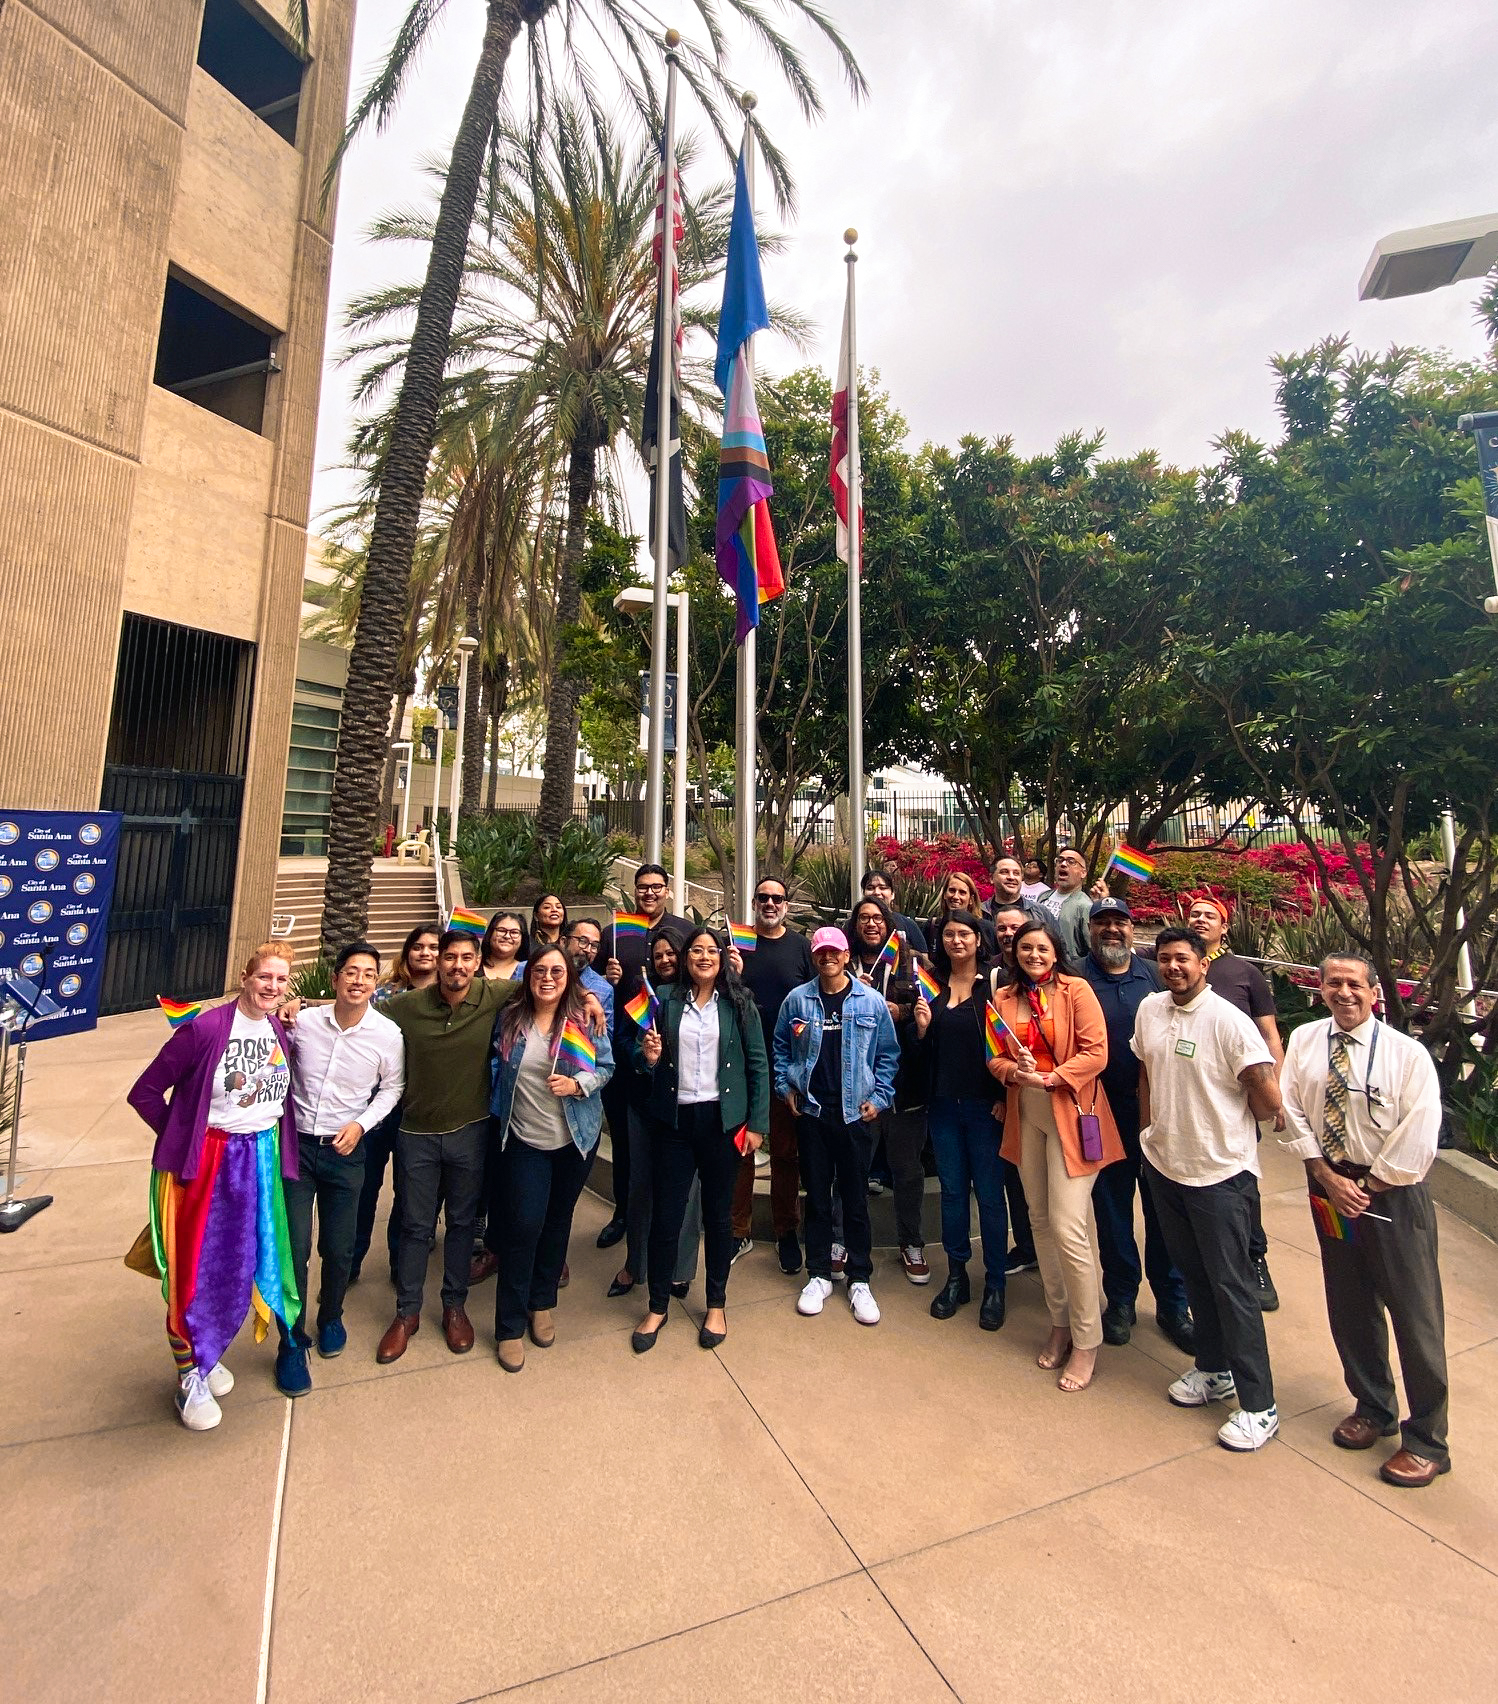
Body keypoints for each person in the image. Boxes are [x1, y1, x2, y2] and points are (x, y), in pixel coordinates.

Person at [1280, 952, 1450, 1487]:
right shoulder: (1306, 1041)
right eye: (1333, 983)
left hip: (1390, 1196)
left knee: (1414, 1315)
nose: (1344, 993)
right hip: (1330, 1190)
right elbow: (1292, 1107)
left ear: (1375, 992)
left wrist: (1370, 1186)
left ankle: (1427, 1439)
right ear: (1321, 990)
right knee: (1350, 1301)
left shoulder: (1407, 1056)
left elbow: (1420, 1130)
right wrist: (1326, 1177)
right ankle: (1372, 1407)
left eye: (1354, 983)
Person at [127, 944, 300, 1432]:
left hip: (258, 1158)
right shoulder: (203, 1029)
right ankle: (189, 1372)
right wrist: (183, 1139)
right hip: (208, 1163)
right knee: (194, 1269)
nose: (272, 987)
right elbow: (144, 1092)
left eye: (282, 980)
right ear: (245, 977)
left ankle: (209, 1350)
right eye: (265, 976)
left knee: (239, 1264)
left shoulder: (277, 1030)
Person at [1134, 927, 1285, 1452]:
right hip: (1165, 1166)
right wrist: (1149, 1130)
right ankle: (1213, 1369)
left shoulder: (1229, 1021)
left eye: (1183, 959)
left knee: (1232, 1288)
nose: (1173, 966)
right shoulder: (1150, 1010)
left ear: (1203, 963)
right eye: (1165, 959)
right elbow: (1146, 1073)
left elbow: (1267, 1096)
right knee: (1194, 1276)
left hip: (1220, 1174)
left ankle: (1259, 1405)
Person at [377, 931, 524, 1363]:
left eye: (466, 958)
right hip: (416, 1134)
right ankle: (406, 1313)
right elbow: (357, 1010)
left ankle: (454, 1305)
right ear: (437, 962)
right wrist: (297, 1007)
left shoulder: (493, 995)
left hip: (470, 1133)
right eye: (450, 957)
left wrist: (589, 1000)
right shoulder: (407, 1005)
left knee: (462, 1224)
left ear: (478, 961)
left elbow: (551, 982)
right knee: (415, 1227)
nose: (458, 965)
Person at [989, 918, 1123, 1392]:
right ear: (1015, 953)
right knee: (1040, 1221)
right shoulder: (1004, 998)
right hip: (1026, 1115)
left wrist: (1051, 1077)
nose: (1033, 955)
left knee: (1069, 1227)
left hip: (1072, 1111)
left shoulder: (1076, 990)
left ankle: (1088, 1338)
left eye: (1041, 948)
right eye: (1025, 948)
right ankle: (1060, 1320)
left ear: (1055, 950)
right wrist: (1012, 1069)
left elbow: (1097, 1053)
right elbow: (993, 1055)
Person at [632, 928, 769, 1352]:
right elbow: (643, 1056)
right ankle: (657, 1305)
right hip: (674, 1122)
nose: (704, 957)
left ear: (722, 958)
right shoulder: (664, 997)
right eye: (696, 950)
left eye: (712, 950)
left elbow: (758, 1066)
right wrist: (648, 1058)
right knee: (667, 1216)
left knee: (718, 1216)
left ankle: (715, 1303)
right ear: (686, 956)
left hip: (721, 1122)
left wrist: (758, 1124)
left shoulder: (740, 1002)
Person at [277, 941, 404, 1392]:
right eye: (351, 972)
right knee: (293, 1250)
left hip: (345, 1152)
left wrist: (362, 1123)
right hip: (296, 1151)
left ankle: (330, 1315)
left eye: (368, 974)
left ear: (376, 983)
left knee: (339, 1247)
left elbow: (392, 1089)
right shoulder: (304, 1023)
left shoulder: (387, 1034)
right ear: (335, 979)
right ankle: (291, 1342)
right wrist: (289, 1006)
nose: (359, 980)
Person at [488, 946, 614, 1372]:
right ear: (528, 975)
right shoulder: (509, 1017)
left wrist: (580, 1086)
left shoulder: (585, 1018)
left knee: (558, 1223)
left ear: (569, 977)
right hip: (524, 1139)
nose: (548, 977)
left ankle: (541, 1304)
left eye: (557, 971)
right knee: (523, 1227)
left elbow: (607, 1067)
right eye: (540, 969)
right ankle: (508, 1325)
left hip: (575, 1141)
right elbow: (492, 1062)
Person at [1078, 900, 1194, 1355]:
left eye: (1119, 922)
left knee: (1164, 1212)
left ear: (1131, 929)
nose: (1111, 930)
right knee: (1112, 1213)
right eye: (1102, 922)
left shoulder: (1154, 975)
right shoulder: (1075, 977)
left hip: (1160, 1114)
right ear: (1090, 929)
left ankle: (1172, 1304)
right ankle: (1122, 1299)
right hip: (1101, 1115)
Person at [775, 927, 900, 1326]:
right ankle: (819, 1274)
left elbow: (888, 1055)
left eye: (835, 951)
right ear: (814, 957)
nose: (828, 957)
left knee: (855, 1198)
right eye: (821, 952)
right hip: (812, 1113)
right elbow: (780, 1046)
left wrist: (879, 1098)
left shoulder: (871, 1001)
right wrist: (785, 1087)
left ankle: (859, 1277)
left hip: (854, 1116)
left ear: (846, 956)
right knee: (816, 1197)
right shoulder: (798, 1000)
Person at [1184, 893, 1284, 1312]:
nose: (1202, 919)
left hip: (1235, 1098)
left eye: (1210, 915)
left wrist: (1277, 1099)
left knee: (1240, 1181)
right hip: (1187, 1095)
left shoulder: (1244, 973)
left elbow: (1269, 1036)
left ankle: (1254, 1259)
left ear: (1224, 927)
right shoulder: (1170, 966)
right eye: (1194, 914)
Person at [912, 910, 1011, 1331]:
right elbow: (924, 1054)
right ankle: (957, 1275)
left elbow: (1009, 1042)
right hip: (943, 1103)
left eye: (964, 934)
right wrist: (920, 1030)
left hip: (984, 1105)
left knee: (989, 1195)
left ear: (978, 938)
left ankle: (995, 1282)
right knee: (953, 1192)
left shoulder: (995, 983)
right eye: (949, 934)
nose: (956, 941)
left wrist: (1007, 1097)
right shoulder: (930, 983)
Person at [595, 864, 690, 1250]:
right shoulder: (615, 933)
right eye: (642, 887)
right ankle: (623, 1212)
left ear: (667, 890)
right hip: (624, 1050)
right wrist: (608, 978)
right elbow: (590, 984)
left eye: (656, 887)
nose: (649, 893)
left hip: (673, 1055)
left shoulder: (683, 931)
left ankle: (669, 1217)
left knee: (671, 1139)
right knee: (623, 1136)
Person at [609, 925, 703, 1299]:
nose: (665, 960)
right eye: (659, 954)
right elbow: (623, 1042)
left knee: (686, 1192)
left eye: (672, 953)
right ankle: (637, 1264)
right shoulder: (644, 997)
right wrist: (643, 1056)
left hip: (688, 1107)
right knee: (641, 1186)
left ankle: (680, 1270)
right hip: (645, 1104)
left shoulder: (704, 996)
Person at [730, 877, 815, 1274]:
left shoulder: (801, 947)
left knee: (785, 1153)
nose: (769, 902)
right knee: (742, 1150)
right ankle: (738, 1229)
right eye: (762, 897)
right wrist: (730, 972)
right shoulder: (736, 941)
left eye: (777, 898)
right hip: (742, 1063)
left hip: (786, 1065)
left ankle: (786, 1232)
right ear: (753, 901)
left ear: (786, 904)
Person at [846, 896, 928, 1282]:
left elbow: (929, 1010)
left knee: (907, 1171)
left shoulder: (908, 968)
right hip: (858, 1087)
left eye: (877, 918)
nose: (871, 924)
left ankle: (911, 1242)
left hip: (906, 1085)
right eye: (863, 918)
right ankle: (842, 1240)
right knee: (852, 1168)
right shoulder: (843, 966)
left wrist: (902, 1012)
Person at [354, 922, 440, 1284]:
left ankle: (399, 1264)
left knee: (409, 1195)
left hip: (420, 1108)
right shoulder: (385, 993)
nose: (425, 953)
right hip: (377, 1106)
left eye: (434, 947)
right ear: (407, 952)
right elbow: (351, 1007)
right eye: (418, 946)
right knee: (364, 1187)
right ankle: (350, 1260)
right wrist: (302, 1003)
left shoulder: (450, 996)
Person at [989, 903, 1039, 1277]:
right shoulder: (992, 975)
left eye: (1015, 928)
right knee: (1016, 1180)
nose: (1008, 934)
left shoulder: (1058, 980)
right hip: (1009, 1094)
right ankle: (1027, 1245)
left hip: (1054, 1094)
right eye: (1002, 928)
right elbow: (993, 1047)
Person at [925, 870, 999, 960]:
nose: (956, 897)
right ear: (944, 894)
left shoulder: (986, 928)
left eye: (962, 892)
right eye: (952, 891)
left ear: (971, 899)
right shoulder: (933, 927)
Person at [860, 867, 928, 953]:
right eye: (870, 888)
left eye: (883, 888)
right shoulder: (852, 925)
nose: (876, 892)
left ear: (892, 894)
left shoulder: (908, 925)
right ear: (863, 893)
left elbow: (923, 960)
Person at [563, 916, 614, 1029]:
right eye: (582, 941)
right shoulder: (533, 969)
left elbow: (604, 1039)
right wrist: (585, 995)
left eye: (594, 946)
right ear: (563, 942)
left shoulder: (604, 989)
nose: (587, 949)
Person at [1042, 848, 1092, 964]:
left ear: (1083, 873)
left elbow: (1091, 947)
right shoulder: (1043, 897)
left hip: (1066, 970)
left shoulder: (1085, 906)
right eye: (1060, 860)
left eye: (1071, 862)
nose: (1063, 864)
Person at [988, 854, 1048, 925]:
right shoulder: (979, 913)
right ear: (991, 878)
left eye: (1016, 873)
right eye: (1004, 872)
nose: (1011, 877)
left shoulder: (1040, 912)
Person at [480, 911, 528, 982]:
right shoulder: (472, 965)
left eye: (514, 932)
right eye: (501, 930)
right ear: (490, 934)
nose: (507, 936)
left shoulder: (529, 969)